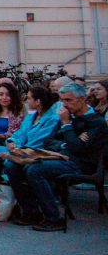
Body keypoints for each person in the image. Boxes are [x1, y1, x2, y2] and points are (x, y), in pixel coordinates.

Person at [6, 83, 107, 231]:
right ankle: (31, 211)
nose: (64, 105)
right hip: (60, 157)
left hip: (81, 164)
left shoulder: (95, 121)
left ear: (82, 99)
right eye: (62, 100)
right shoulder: (67, 116)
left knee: (35, 170)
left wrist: (67, 126)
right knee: (12, 165)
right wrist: (67, 142)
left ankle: (53, 218)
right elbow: (50, 141)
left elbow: (78, 149)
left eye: (68, 100)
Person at [0, 85, 58, 176]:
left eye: (28, 98)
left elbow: (38, 141)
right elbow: (20, 133)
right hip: (14, 147)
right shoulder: (32, 115)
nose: (26, 101)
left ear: (38, 101)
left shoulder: (51, 119)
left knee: (6, 162)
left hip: (30, 152)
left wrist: (16, 150)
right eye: (0, 94)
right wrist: (12, 142)